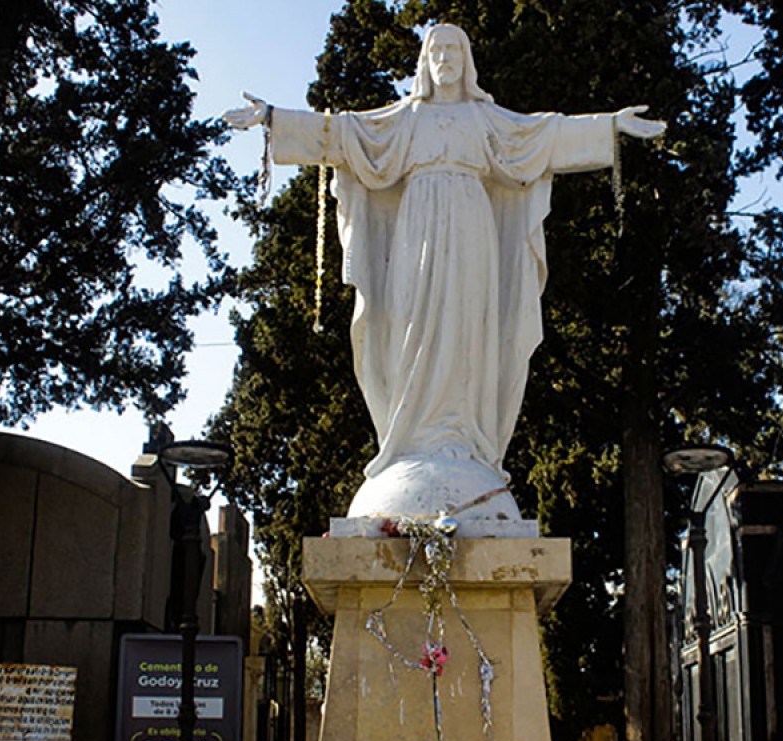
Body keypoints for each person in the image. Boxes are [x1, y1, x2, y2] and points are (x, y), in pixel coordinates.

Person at [225, 23, 664, 523]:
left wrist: (608, 127)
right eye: (437, 50)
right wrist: (275, 119)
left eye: (454, 48)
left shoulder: (484, 118)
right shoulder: (407, 118)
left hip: (473, 230)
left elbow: (542, 135)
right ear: (425, 62)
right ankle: (411, 441)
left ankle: (465, 439)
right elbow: (347, 134)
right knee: (409, 326)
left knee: (468, 327)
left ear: (467, 59)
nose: (446, 57)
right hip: (416, 230)